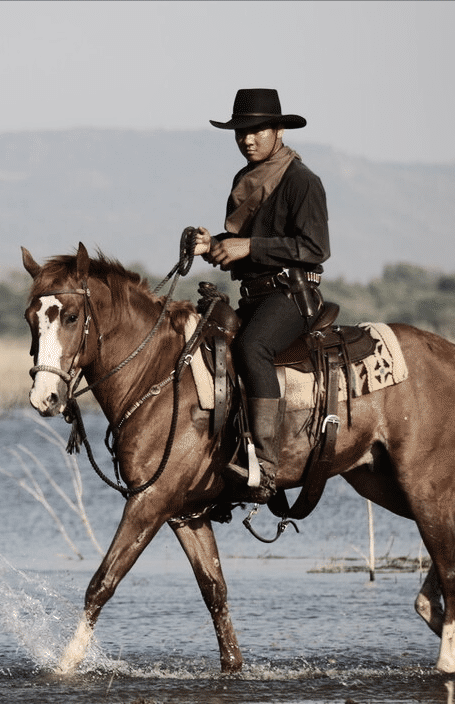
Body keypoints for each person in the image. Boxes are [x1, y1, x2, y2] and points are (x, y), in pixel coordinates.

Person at [189, 88, 331, 500]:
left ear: (279, 131)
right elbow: (242, 246)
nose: (247, 140)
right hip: (254, 296)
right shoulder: (245, 179)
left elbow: (315, 248)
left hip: (293, 296)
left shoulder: (302, 181)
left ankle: (266, 465)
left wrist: (248, 246)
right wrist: (213, 245)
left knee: (252, 347)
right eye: (240, 132)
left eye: (257, 131)